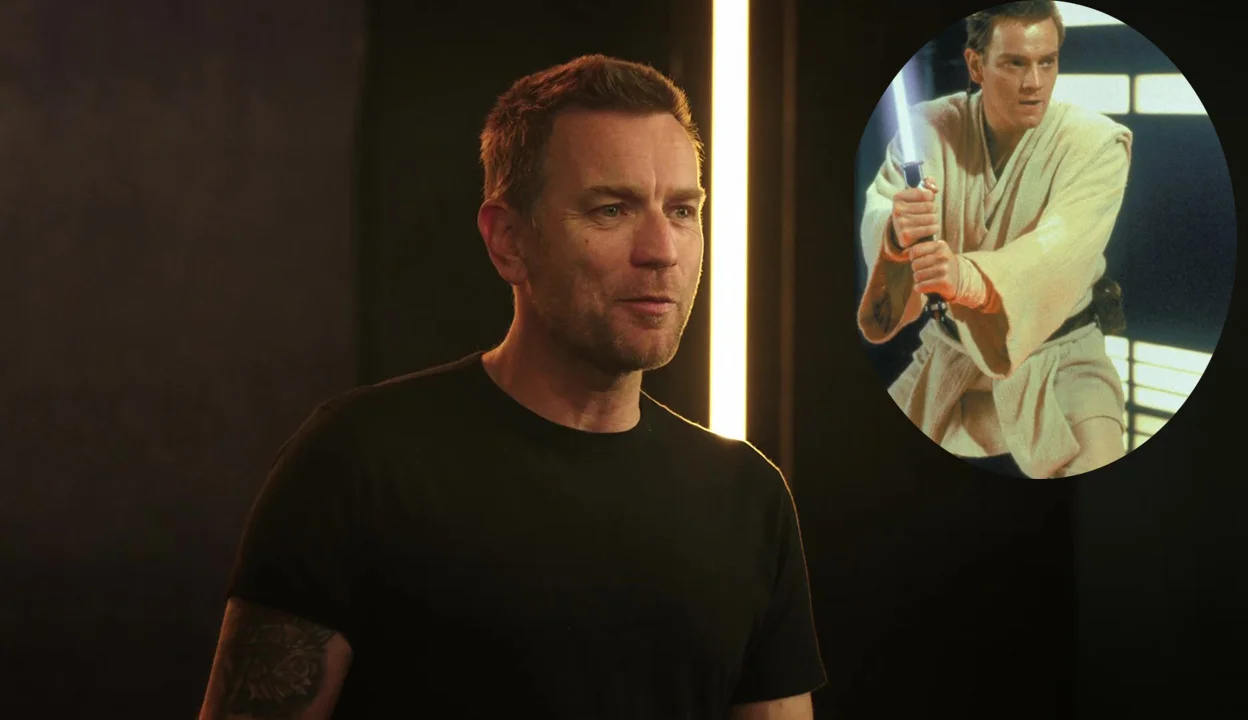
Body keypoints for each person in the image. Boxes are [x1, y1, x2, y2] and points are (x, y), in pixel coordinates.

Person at [196, 54, 826, 719]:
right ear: (509, 242)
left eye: (682, 210)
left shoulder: (748, 501)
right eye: (611, 209)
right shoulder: (356, 465)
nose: (661, 249)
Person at [857, 0, 1133, 479]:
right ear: (975, 65)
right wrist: (896, 234)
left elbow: (1057, 249)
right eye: (1015, 63)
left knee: (1102, 472)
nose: (1035, 82)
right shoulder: (926, 128)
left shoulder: (1096, 144)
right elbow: (882, 207)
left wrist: (967, 278)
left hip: (1063, 358)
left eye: (1047, 61)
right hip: (950, 353)